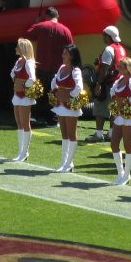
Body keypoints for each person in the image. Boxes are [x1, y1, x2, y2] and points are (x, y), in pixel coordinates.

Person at [108, 56, 131, 186]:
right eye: (119, 66)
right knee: (114, 144)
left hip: (129, 116)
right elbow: (112, 91)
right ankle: (120, 173)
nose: (118, 68)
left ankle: (127, 175)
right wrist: (115, 100)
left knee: (128, 145)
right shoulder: (119, 80)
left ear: (128, 69)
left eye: (121, 66)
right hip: (119, 116)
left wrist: (127, 103)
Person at [51, 44, 85, 173]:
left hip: (70, 106)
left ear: (71, 56)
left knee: (71, 134)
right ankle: (64, 162)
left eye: (65, 53)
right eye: (63, 53)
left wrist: (69, 95)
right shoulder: (61, 68)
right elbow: (54, 82)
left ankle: (69, 163)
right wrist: (56, 91)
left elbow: (79, 88)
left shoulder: (76, 70)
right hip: (60, 105)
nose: (63, 56)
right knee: (64, 134)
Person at [89, 25, 126, 142]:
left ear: (108, 37)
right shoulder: (121, 48)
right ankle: (111, 134)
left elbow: (105, 68)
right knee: (114, 109)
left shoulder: (109, 49)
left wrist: (98, 84)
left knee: (100, 108)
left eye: (104, 35)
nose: (103, 37)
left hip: (107, 83)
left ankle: (99, 134)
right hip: (118, 83)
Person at [9, 38, 39, 162]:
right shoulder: (19, 61)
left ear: (23, 48)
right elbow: (12, 74)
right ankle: (20, 151)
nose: (15, 48)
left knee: (25, 123)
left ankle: (24, 152)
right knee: (19, 124)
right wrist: (16, 82)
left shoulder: (29, 62)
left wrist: (24, 86)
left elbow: (32, 78)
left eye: (18, 46)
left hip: (25, 96)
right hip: (17, 95)